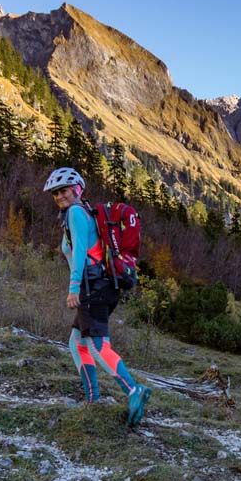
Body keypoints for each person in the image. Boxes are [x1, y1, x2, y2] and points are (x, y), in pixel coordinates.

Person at [44, 167, 151, 426]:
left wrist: (73, 289)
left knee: (96, 344)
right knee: (76, 342)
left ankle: (133, 389)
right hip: (101, 286)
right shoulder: (82, 213)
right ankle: (93, 399)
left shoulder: (76, 213)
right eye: (55, 192)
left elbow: (80, 251)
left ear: (77, 189)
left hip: (92, 287)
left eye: (64, 190)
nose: (60, 196)